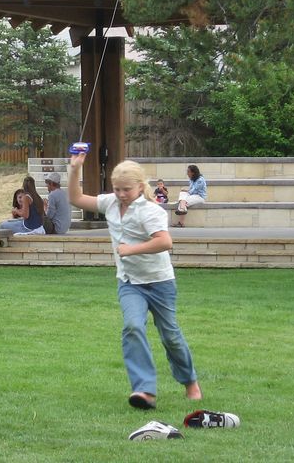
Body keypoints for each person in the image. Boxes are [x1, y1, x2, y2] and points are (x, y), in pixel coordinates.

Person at [68, 155, 202, 410]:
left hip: (159, 282)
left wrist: (131, 250)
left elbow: (165, 242)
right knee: (132, 326)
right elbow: (76, 198)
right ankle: (144, 390)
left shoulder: (150, 210)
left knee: (170, 336)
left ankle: (190, 382)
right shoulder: (110, 203)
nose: (121, 194)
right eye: (117, 189)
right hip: (129, 282)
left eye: (126, 189)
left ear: (140, 186)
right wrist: (75, 170)